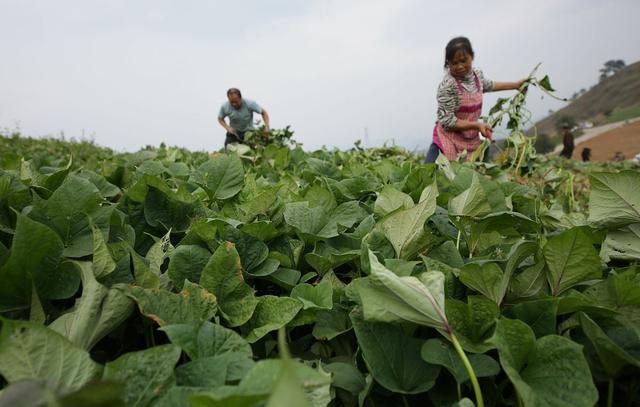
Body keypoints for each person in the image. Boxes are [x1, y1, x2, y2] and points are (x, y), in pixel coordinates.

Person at [425, 37, 527, 163]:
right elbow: (447, 121)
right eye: (454, 63)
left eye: (463, 61)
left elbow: (489, 85)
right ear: (448, 63)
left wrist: (516, 85)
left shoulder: (476, 76)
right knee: (430, 174)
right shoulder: (448, 86)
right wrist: (477, 125)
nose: (460, 66)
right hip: (448, 138)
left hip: (470, 138)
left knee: (472, 175)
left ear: (471, 57)